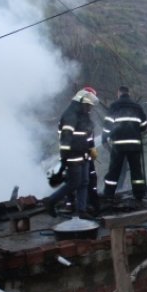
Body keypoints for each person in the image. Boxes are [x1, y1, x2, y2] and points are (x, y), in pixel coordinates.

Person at [43, 87, 99, 218]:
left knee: (84, 182)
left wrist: (91, 148)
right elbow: (65, 138)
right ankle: (51, 201)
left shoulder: (83, 116)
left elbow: (88, 134)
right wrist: (64, 158)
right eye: (87, 105)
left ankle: (82, 210)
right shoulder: (70, 115)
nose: (89, 108)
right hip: (73, 156)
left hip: (84, 154)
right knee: (74, 183)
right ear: (81, 103)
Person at [102, 86, 147, 201]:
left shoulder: (114, 106)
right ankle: (139, 194)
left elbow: (107, 126)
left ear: (119, 93)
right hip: (134, 144)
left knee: (114, 170)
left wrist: (104, 139)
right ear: (128, 93)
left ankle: (108, 194)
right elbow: (144, 126)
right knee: (136, 171)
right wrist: (136, 131)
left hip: (118, 145)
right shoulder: (136, 107)